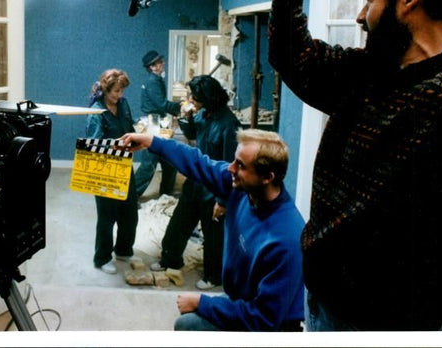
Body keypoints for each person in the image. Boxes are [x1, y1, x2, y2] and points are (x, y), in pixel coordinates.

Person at [267, 0, 442, 330]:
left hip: (387, 320)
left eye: (370, 1)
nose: (360, 15)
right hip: (323, 298)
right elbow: (294, 56)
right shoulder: (371, 70)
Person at [120, 128, 304, 331]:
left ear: (267, 177)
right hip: (241, 297)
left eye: (240, 165)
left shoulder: (287, 240)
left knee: (187, 325)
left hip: (270, 326)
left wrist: (203, 303)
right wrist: (151, 141)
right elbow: (199, 162)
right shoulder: (243, 189)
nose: (231, 169)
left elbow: (263, 320)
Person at [149, 75, 241, 291]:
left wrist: (223, 201)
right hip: (194, 182)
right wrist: (188, 117)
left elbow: (231, 167)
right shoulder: (203, 114)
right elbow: (191, 133)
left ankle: (213, 276)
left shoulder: (229, 125)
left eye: (195, 97)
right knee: (178, 225)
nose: (191, 99)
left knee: (213, 237)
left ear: (208, 98)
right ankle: (170, 260)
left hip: (214, 187)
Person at [86, 69, 139, 275]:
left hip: (125, 163)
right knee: (107, 216)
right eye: (116, 91)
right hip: (105, 167)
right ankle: (102, 257)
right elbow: (93, 143)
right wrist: (117, 143)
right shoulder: (96, 111)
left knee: (130, 212)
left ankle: (124, 250)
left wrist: (138, 134)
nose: (119, 95)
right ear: (106, 90)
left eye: (122, 91)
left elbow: (130, 126)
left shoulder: (123, 105)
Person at [133, 50, 181, 197]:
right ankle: (130, 197)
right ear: (152, 67)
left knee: (170, 160)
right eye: (159, 62)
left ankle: (166, 192)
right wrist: (180, 107)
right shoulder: (153, 81)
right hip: (152, 123)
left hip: (158, 122)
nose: (163, 63)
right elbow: (161, 104)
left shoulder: (155, 79)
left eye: (161, 61)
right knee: (148, 165)